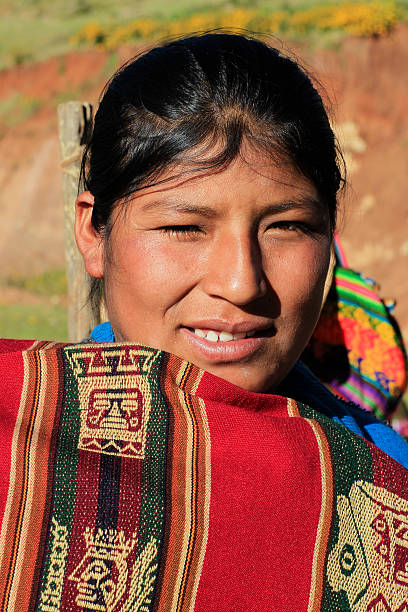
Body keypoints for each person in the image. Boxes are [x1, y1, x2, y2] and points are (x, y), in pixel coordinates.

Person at [1, 33, 408, 611]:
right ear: (94, 232)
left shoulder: (384, 482)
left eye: (287, 226)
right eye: (183, 228)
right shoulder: (18, 452)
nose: (242, 283)